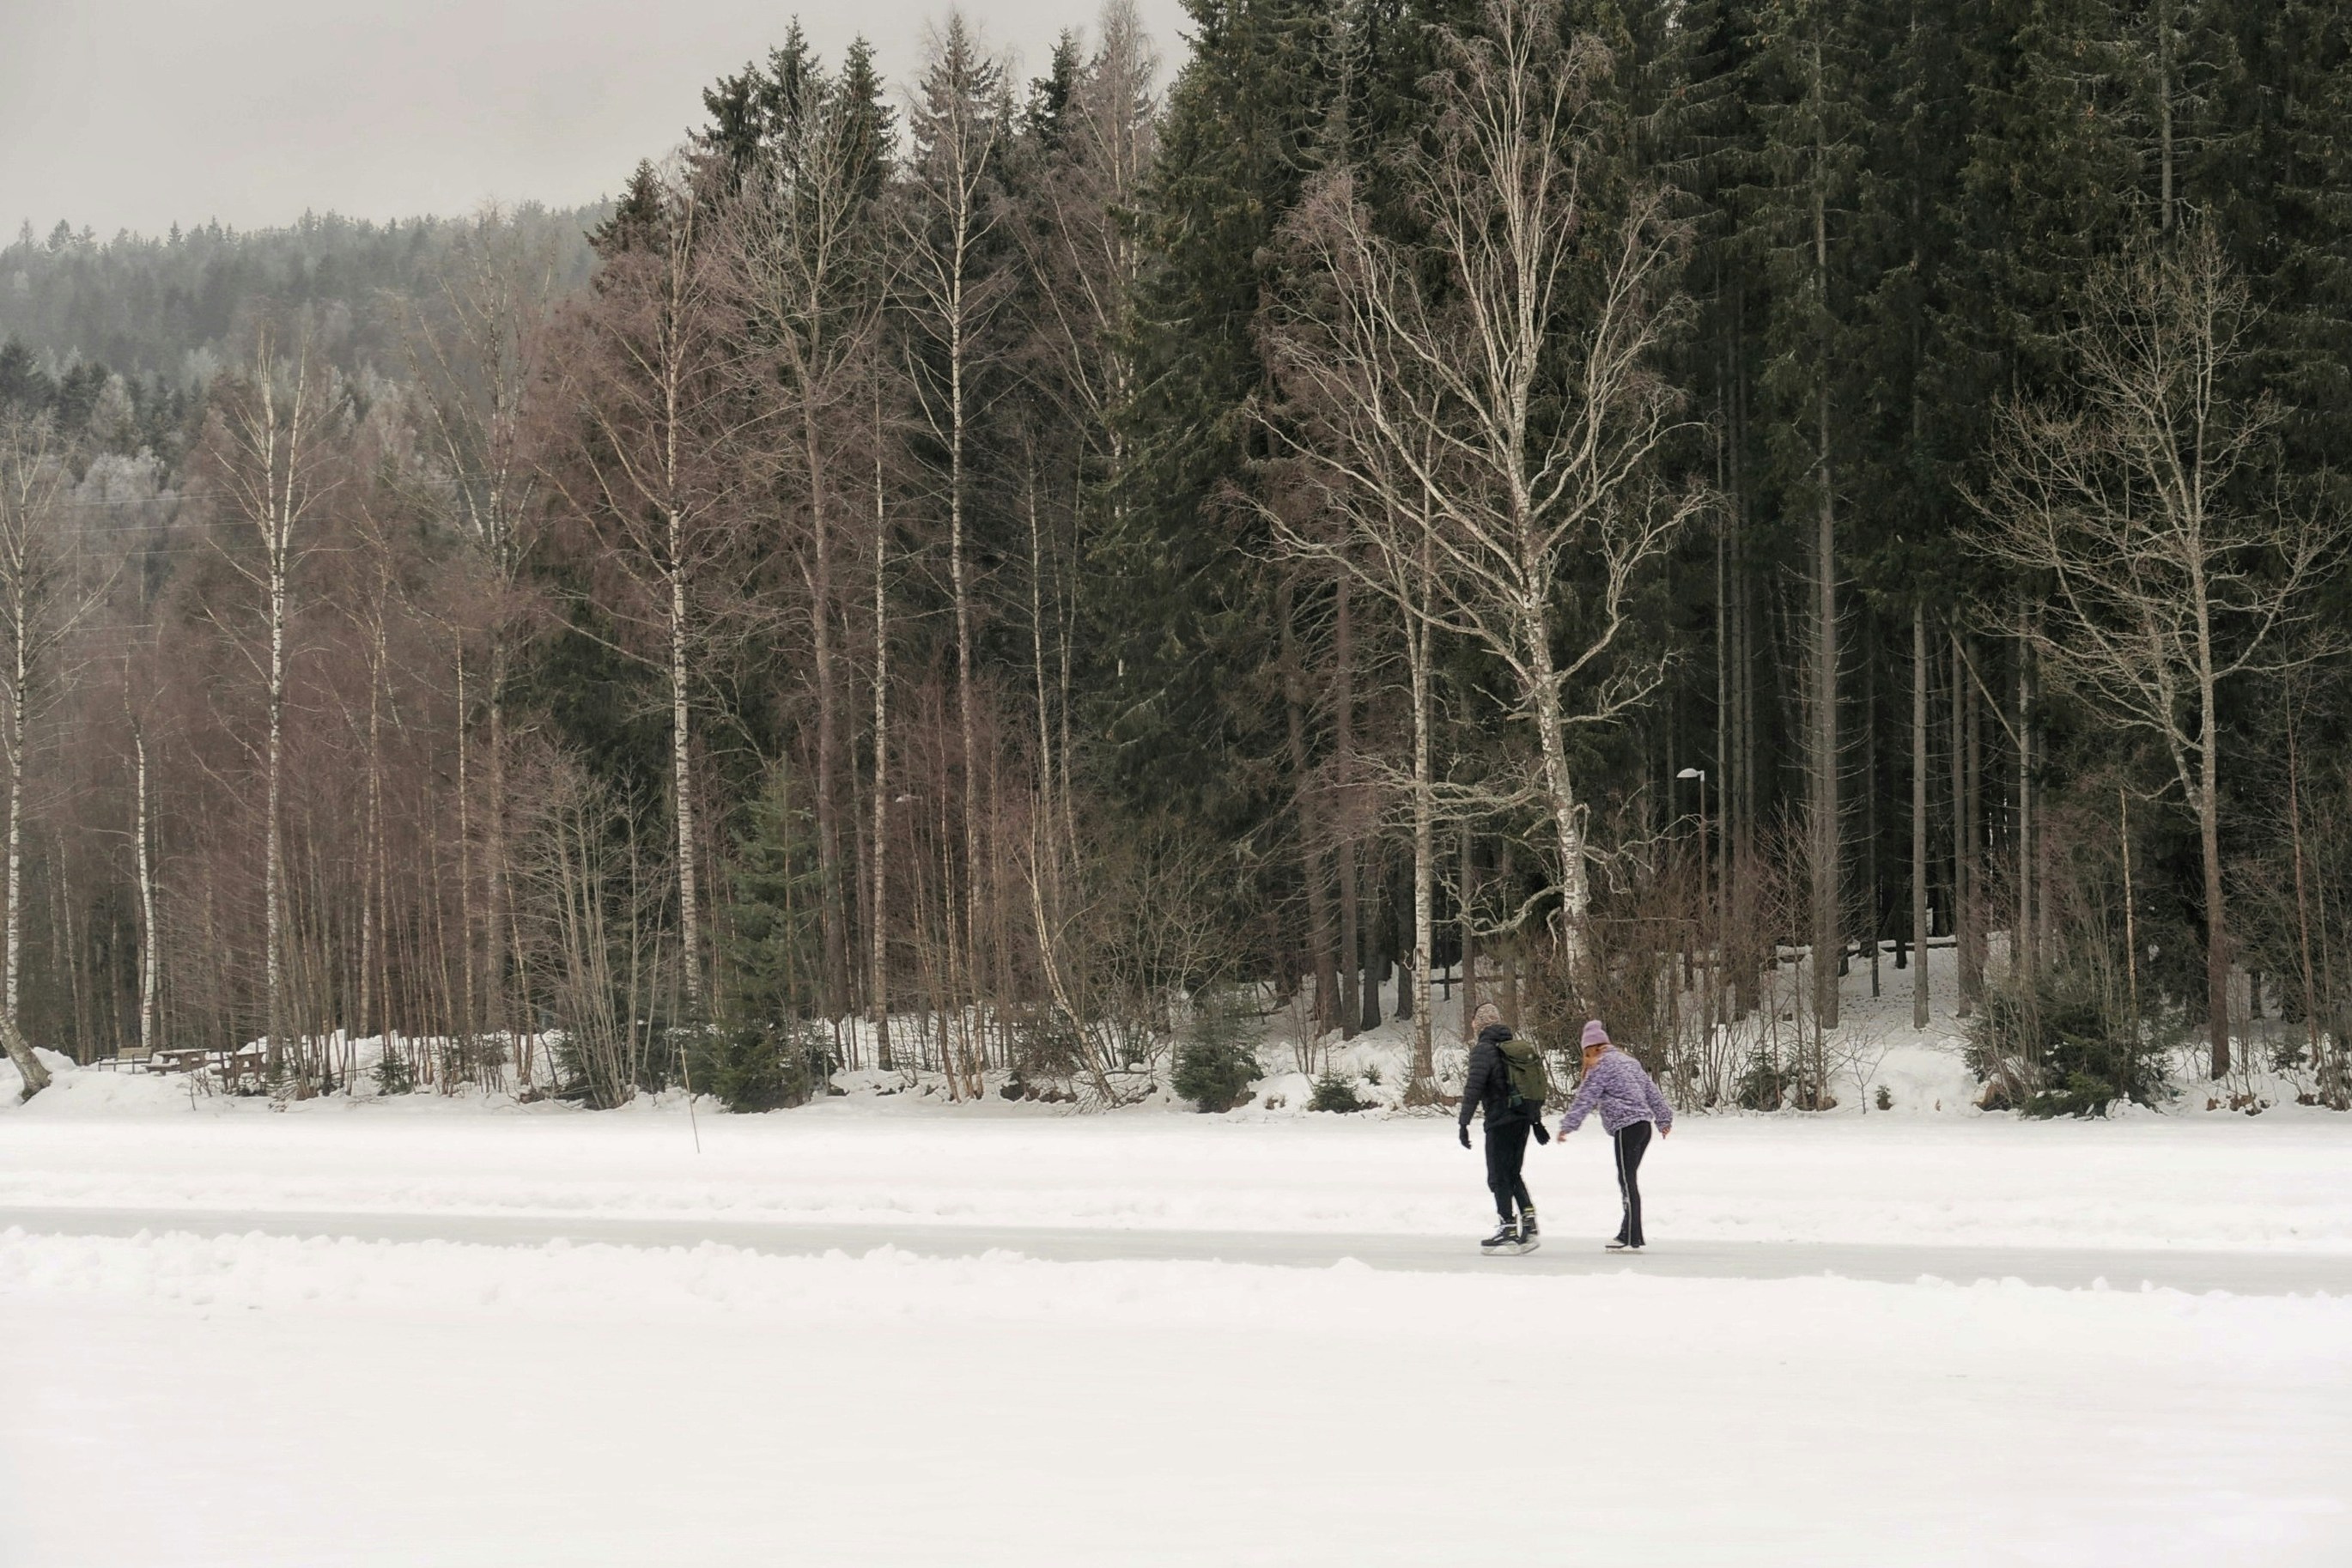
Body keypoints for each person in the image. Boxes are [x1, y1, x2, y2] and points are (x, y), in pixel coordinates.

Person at [1556, 1018, 1673, 1251]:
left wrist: (1568, 1125)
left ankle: (1631, 1234)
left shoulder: (1600, 1066)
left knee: (1627, 1181)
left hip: (1626, 1127)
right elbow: (1651, 1090)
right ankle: (1628, 1233)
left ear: (1590, 1047)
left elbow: (1585, 1098)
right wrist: (1663, 1119)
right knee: (1628, 1180)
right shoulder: (1628, 1061)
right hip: (1643, 1128)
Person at [1457, 1001, 1550, 1253]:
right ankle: (1528, 1224)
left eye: (1474, 1020)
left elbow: (1473, 1089)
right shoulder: (1515, 1048)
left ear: (1480, 1023)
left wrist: (1463, 1122)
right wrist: (1537, 1120)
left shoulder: (1483, 1050)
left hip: (1500, 1121)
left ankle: (1507, 1227)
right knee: (1513, 1173)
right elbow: (1530, 1084)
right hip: (1522, 1120)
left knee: (1498, 1176)